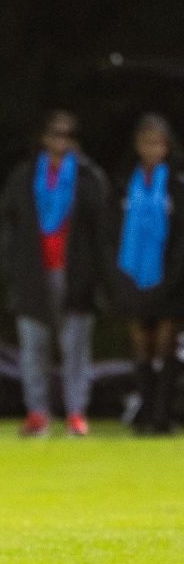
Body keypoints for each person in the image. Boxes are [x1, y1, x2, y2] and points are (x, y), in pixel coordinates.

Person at [0, 110, 109, 437]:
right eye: (55, 134)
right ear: (44, 138)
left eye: (67, 135)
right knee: (34, 347)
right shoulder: (25, 175)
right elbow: (9, 226)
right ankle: (38, 414)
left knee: (75, 348)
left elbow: (102, 233)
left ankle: (76, 413)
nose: (60, 141)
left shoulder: (90, 178)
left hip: (75, 274)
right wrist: (13, 269)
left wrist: (97, 277)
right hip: (33, 273)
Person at [111, 113, 184, 434]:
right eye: (147, 142)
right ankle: (145, 412)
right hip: (133, 276)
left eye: (159, 143)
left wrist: (175, 274)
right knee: (141, 344)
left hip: (172, 277)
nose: (154, 149)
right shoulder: (126, 181)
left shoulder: (178, 181)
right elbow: (112, 229)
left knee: (167, 345)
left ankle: (161, 416)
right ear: (138, 145)